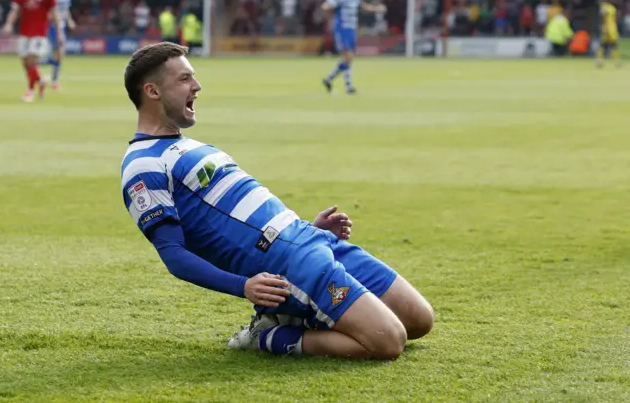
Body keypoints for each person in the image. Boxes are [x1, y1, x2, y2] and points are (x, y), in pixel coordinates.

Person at [121, 42, 434, 359]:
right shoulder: (142, 166)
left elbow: (238, 213)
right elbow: (173, 254)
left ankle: (297, 313)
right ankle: (269, 335)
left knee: (420, 320)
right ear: (153, 91)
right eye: (184, 79)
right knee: (388, 341)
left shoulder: (192, 146)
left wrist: (307, 227)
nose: (197, 86)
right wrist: (244, 286)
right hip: (287, 264)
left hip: (307, 236)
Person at [3, 0, 64, 102]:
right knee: (25, 64)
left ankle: (30, 92)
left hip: (40, 33)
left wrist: (59, 31)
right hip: (24, 33)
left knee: (32, 60)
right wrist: (8, 24)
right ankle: (40, 80)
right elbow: (15, 10)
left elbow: (54, 13)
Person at [321, 0, 386, 94]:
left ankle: (332, 80)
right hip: (342, 27)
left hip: (352, 28)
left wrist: (377, 8)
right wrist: (326, 6)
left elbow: (363, 6)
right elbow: (329, 4)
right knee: (348, 56)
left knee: (349, 58)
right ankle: (347, 86)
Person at [47, 0, 75, 90]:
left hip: (61, 25)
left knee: (60, 54)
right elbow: (48, 10)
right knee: (57, 52)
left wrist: (69, 20)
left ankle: (52, 79)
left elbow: (66, 8)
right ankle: (53, 81)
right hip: (51, 25)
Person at [596, 0, 621, 68]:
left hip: (612, 28)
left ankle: (616, 61)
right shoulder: (604, 7)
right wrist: (603, 26)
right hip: (607, 28)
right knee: (604, 44)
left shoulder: (612, 7)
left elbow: (614, 19)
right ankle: (600, 60)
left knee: (612, 44)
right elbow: (602, 18)